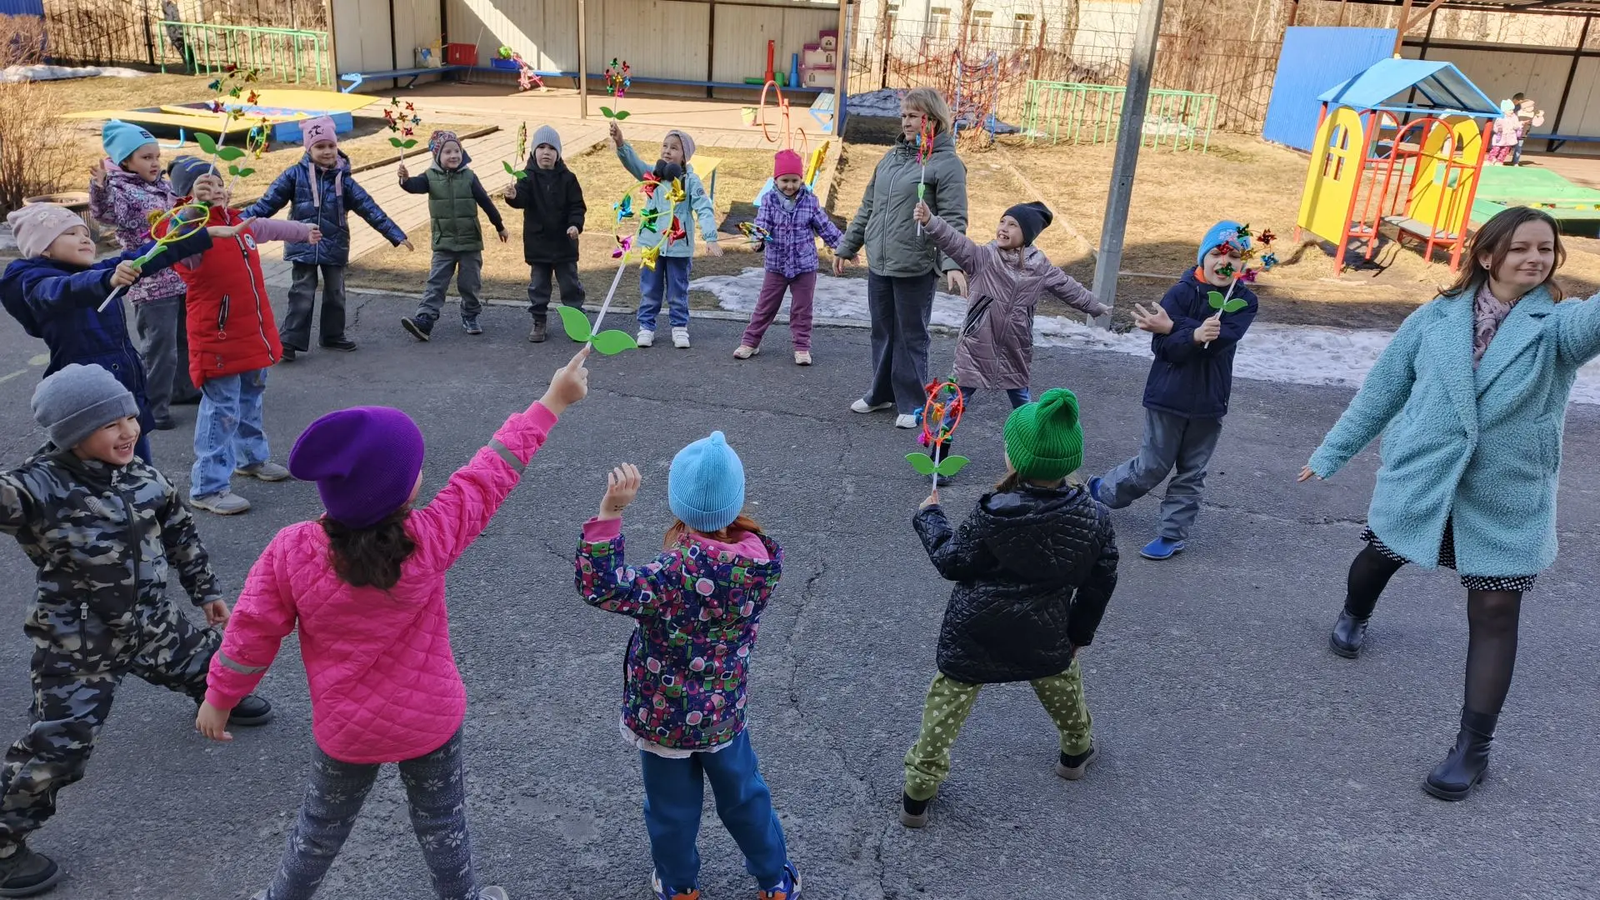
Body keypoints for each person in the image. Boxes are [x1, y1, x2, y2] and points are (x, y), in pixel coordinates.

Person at [197, 346, 593, 900]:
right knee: (443, 824)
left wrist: (221, 695)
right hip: (430, 719)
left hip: (346, 728)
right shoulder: (429, 538)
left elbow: (251, 630)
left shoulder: (291, 550)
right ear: (400, 490)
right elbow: (489, 474)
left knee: (319, 831)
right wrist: (552, 401)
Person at [1300, 206, 1600, 802]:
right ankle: (1355, 613)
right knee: (1380, 555)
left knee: (1496, 613)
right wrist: (1333, 451)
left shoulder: (1558, 326)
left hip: (1505, 492)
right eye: (1520, 248)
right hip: (1424, 475)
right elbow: (1383, 391)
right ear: (1487, 256)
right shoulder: (1434, 318)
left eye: (1545, 249)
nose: (1535, 258)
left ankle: (1473, 749)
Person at [0, 364, 273, 896]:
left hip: (153, 622)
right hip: (80, 643)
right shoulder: (38, 486)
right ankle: (5, 844)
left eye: (130, 417)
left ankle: (214, 692)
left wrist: (206, 591)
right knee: (59, 746)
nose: (128, 431)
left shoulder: (142, 476)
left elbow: (179, 531)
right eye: (110, 424)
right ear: (73, 434)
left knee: (211, 663)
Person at [575, 434, 802, 900]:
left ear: (679, 503)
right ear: (736, 499)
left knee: (671, 811)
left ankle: (679, 887)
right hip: (724, 712)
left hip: (663, 720)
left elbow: (602, 586)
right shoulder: (760, 564)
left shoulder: (670, 573)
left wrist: (611, 512)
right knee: (745, 797)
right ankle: (775, 881)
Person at [901, 389, 1117, 829]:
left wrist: (930, 517)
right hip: (1047, 631)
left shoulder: (992, 513)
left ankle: (918, 791)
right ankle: (1075, 751)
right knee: (1061, 684)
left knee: (946, 706)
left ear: (1014, 459)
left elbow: (952, 562)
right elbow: (1100, 582)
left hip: (975, 631)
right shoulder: (1094, 517)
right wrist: (1078, 634)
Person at [1, 203, 227, 464]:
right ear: (43, 248)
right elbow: (63, 289)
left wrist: (200, 236)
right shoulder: (36, 282)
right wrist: (107, 280)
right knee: (95, 470)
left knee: (138, 465)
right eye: (71, 233)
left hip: (124, 387)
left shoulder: (95, 271)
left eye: (86, 233)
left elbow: (148, 256)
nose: (84, 239)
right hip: (87, 396)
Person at [1088, 220, 1258, 561]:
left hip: (1210, 403)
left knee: (1192, 473)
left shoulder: (1244, 300)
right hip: (1167, 398)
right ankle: (1103, 491)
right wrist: (1189, 333)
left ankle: (1172, 533)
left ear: (1243, 264)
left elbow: (1222, 341)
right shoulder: (1180, 293)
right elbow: (1164, 348)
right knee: (1152, 466)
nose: (1224, 262)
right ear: (1203, 256)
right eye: (1217, 253)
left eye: (1234, 256)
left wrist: (1175, 327)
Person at [163, 158, 319, 516]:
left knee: (251, 396)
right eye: (205, 186)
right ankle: (208, 486)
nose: (216, 191)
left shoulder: (238, 222)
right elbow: (172, 239)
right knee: (221, 409)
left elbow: (268, 227)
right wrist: (193, 209)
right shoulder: (192, 234)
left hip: (250, 334)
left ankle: (250, 458)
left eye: (218, 184)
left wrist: (302, 230)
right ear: (187, 195)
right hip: (217, 339)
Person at [913, 198, 1106, 472]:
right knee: (956, 402)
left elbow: (1067, 287)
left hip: (1016, 347)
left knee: (1024, 407)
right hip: (977, 345)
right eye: (1002, 221)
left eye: (1012, 224)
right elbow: (955, 242)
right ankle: (938, 456)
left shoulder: (1040, 266)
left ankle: (1034, 453)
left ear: (1027, 234)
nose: (1003, 228)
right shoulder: (984, 257)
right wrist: (930, 221)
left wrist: (1095, 306)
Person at [835, 86, 969, 429]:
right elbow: (868, 206)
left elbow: (954, 219)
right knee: (882, 330)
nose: (906, 122)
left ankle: (913, 401)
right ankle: (881, 392)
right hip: (881, 261)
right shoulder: (891, 158)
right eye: (904, 116)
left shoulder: (946, 164)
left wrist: (953, 263)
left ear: (932, 120)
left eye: (913, 116)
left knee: (911, 335)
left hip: (915, 264)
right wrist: (848, 246)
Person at [243, 116, 412, 359]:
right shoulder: (293, 175)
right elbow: (267, 204)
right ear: (308, 149)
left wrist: (395, 234)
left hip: (335, 244)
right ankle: (289, 341)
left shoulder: (345, 181)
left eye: (331, 146)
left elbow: (370, 209)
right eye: (320, 146)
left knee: (335, 292)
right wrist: (237, 221)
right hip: (303, 243)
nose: (327, 151)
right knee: (301, 292)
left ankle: (332, 336)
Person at [89, 120, 198, 430]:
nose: (155, 163)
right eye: (146, 157)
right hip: (152, 285)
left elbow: (177, 217)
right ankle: (152, 408)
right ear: (126, 161)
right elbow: (107, 213)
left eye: (157, 156)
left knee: (184, 340)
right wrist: (100, 189)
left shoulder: (161, 185)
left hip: (178, 277)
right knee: (160, 350)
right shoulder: (120, 190)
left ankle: (182, 389)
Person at [608, 122, 722, 349]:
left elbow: (704, 208)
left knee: (677, 290)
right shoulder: (653, 175)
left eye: (674, 148)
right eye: (665, 146)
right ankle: (646, 327)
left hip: (679, 248)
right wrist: (620, 142)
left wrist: (710, 237)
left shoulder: (690, 181)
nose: (667, 151)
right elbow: (633, 164)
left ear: (684, 157)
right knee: (650, 289)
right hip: (652, 245)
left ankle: (679, 327)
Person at [734, 149, 844, 366]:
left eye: (795, 180)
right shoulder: (769, 200)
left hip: (804, 266)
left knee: (802, 308)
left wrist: (844, 248)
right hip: (776, 265)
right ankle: (750, 341)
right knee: (765, 306)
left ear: (801, 180)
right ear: (776, 180)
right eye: (785, 180)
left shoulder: (810, 201)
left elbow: (825, 227)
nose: (790, 186)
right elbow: (762, 224)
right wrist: (758, 240)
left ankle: (802, 346)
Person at [397, 130, 507, 341]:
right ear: (437, 155)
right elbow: (413, 187)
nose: (454, 155)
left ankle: (470, 315)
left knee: (470, 283)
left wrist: (499, 225)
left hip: (469, 242)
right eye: (447, 152)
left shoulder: (469, 177)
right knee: (436, 283)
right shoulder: (429, 177)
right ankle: (424, 320)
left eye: (457, 150)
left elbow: (486, 202)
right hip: (443, 242)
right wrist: (404, 179)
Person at [502, 124, 587, 343]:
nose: (546, 152)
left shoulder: (568, 178)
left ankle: (576, 320)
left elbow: (577, 206)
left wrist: (575, 225)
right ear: (533, 151)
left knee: (570, 285)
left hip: (564, 244)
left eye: (551, 148)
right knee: (538, 286)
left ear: (558, 153)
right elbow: (521, 198)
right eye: (541, 147)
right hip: (538, 243)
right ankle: (539, 320)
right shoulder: (526, 177)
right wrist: (512, 196)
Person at [1511, 94, 1545, 167]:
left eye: (1532, 106)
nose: (1531, 107)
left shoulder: (1533, 114)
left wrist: (1540, 116)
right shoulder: (1518, 112)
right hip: (1513, 132)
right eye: (1529, 106)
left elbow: (1537, 123)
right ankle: (1502, 159)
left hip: (1523, 134)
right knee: (1510, 146)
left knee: (1518, 147)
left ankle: (1515, 161)